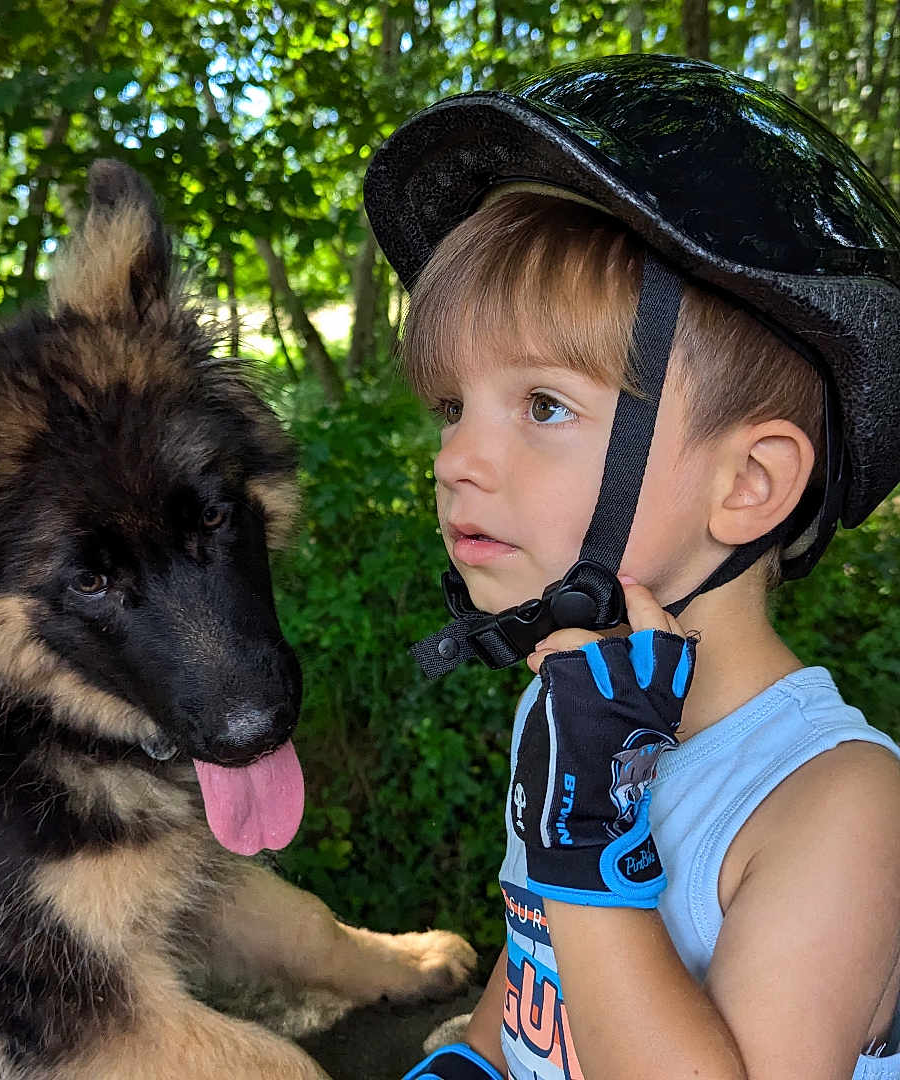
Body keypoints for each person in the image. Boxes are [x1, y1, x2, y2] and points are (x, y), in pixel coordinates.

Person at [362, 54, 900, 1080]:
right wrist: (469, 1062)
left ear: (748, 484)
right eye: (452, 408)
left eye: (546, 407)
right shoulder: (570, 713)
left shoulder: (838, 804)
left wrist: (585, 841)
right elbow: (535, 974)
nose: (456, 460)